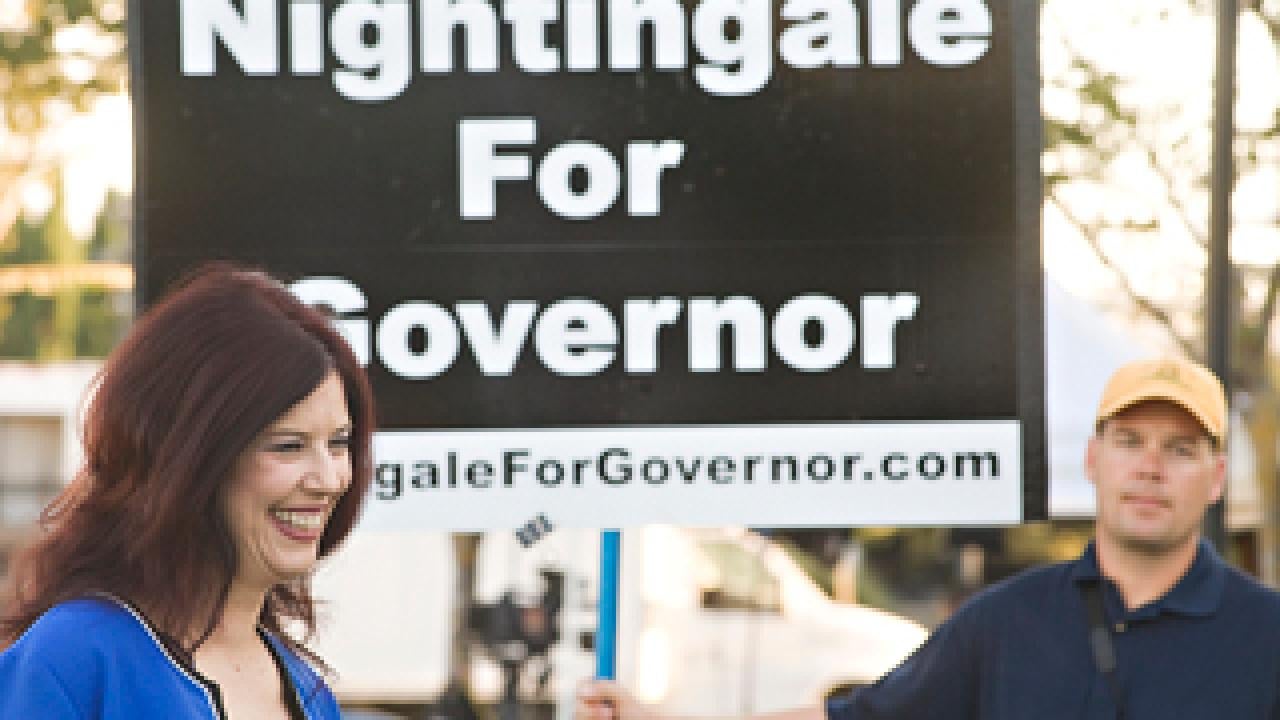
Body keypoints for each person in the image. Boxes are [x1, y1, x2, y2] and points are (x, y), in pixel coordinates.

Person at [579, 358, 1280, 718]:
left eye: (1180, 449)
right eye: (1130, 441)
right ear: (1093, 460)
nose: (1151, 467)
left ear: (1217, 477)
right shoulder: (1007, 623)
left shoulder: (1266, 635)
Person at [0, 264, 375, 719]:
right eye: (288, 446)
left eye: (339, 443)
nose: (328, 479)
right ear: (192, 458)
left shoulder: (311, 694)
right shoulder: (74, 660)